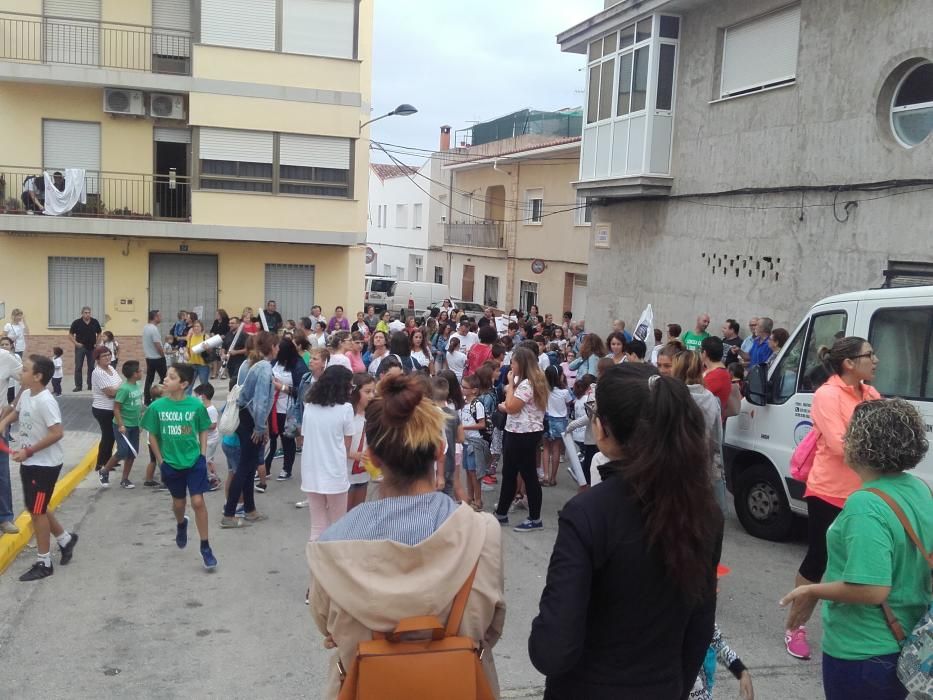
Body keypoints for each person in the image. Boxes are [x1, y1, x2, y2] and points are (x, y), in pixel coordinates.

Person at [306, 372, 506, 699]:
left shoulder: (332, 544)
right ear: (440, 450)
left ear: (372, 457)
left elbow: (328, 630)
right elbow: (490, 627)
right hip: (459, 685)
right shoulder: (483, 533)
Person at [529, 363, 724, 698]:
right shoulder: (706, 511)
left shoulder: (588, 513)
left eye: (594, 412)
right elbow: (699, 625)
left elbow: (553, 648)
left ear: (604, 429)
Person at [781, 399, 931, 700]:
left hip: (865, 650)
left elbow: (872, 589)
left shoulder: (865, 504)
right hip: (908, 643)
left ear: (862, 443)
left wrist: (812, 591)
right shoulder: (918, 488)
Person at [782, 336, 881, 660]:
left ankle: (853, 630)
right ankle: (794, 627)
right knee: (818, 559)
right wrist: (880, 449)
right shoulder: (827, 394)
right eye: (870, 355)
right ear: (849, 363)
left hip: (864, 491)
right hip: (828, 492)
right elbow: (842, 446)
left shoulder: (870, 393)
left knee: (860, 563)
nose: (876, 359)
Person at [0, 355, 79, 581]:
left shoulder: (45, 401)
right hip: (31, 463)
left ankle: (44, 562)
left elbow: (57, 433)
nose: (20, 373)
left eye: (24, 370)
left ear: (37, 376)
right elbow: (16, 411)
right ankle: (65, 540)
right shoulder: (26, 394)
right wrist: (4, 422)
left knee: (36, 511)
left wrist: (28, 451)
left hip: (44, 465)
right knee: (37, 507)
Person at [141, 363, 217, 570]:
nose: (165, 380)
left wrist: (202, 455)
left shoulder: (195, 405)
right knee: (179, 504)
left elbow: (202, 428)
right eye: (166, 376)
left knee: (198, 502)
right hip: (171, 463)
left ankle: (205, 546)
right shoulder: (157, 407)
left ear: (183, 384)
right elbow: (152, 435)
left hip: (193, 461)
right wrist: (161, 460)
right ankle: (181, 524)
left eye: (171, 377)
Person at [221, 331, 277, 528]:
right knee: (245, 467)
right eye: (276, 345)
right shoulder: (264, 367)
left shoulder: (248, 363)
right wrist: (261, 427)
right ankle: (229, 514)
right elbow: (261, 400)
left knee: (249, 465)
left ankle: (250, 510)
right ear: (271, 348)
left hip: (244, 417)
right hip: (252, 419)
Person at [493, 346, 548, 532]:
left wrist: (510, 385)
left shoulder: (527, 384)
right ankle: (501, 512)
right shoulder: (532, 381)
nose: (511, 366)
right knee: (509, 473)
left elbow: (511, 406)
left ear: (521, 364)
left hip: (522, 434)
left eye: (513, 362)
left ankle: (535, 518)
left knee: (528, 475)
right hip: (521, 431)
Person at [300, 365, 355, 542]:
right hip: (334, 472)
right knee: (338, 524)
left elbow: (304, 435)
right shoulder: (346, 408)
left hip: (311, 470)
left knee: (317, 526)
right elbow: (347, 444)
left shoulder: (309, 406)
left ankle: (316, 563)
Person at [673, 350, 725, 510]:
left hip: (675, 464)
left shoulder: (673, 396)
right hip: (702, 462)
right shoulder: (710, 397)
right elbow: (717, 437)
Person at [268, 339, 308, 482]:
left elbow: (303, 391)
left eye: (278, 348)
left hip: (288, 410)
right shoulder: (274, 363)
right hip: (272, 408)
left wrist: (282, 387)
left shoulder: (298, 365)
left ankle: (287, 468)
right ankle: (265, 468)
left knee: (287, 439)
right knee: (271, 438)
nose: (276, 350)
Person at [98, 360, 143, 489]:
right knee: (123, 451)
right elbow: (116, 408)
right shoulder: (124, 389)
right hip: (122, 425)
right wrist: (121, 425)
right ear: (134, 374)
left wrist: (139, 423)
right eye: (140, 371)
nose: (142, 372)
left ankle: (125, 479)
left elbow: (138, 406)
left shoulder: (137, 385)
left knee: (132, 453)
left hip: (135, 425)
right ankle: (104, 471)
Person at [0, 342, 23, 535]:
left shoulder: (5, 357)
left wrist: (12, 408)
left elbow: (28, 380)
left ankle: (5, 518)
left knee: (1, 473)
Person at [91, 346, 122, 481]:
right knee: (107, 436)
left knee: (112, 436)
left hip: (113, 407)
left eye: (109, 355)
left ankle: (108, 462)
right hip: (102, 409)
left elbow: (121, 385)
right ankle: (100, 463)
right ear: (97, 359)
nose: (108, 357)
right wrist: (117, 390)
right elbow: (110, 392)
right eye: (104, 356)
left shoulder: (111, 369)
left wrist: (117, 390)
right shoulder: (98, 372)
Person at [346, 373, 376, 512]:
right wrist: (354, 454)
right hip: (345, 473)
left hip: (363, 472)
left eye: (373, 391)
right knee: (343, 514)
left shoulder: (373, 416)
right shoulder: (347, 415)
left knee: (357, 513)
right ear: (355, 391)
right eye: (367, 391)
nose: (371, 395)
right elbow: (337, 443)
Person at [542, 365, 572, 488]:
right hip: (560, 421)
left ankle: (546, 475)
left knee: (546, 448)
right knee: (556, 449)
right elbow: (570, 402)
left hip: (546, 419)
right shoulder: (565, 392)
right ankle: (553, 478)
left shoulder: (543, 390)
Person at [193, 383, 222, 491]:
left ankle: (214, 480)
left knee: (207, 460)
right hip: (206, 440)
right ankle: (209, 478)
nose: (196, 398)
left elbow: (213, 425)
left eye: (197, 396)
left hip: (211, 440)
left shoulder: (211, 409)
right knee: (207, 459)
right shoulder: (203, 408)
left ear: (203, 396)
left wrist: (199, 425)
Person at [69, 306, 101, 392]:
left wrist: (97, 343)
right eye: (85, 313)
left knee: (91, 367)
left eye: (89, 313)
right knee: (78, 367)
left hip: (92, 348)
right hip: (80, 347)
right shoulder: (77, 323)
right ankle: (78, 386)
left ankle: (90, 385)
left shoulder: (95, 322)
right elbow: (70, 335)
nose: (87, 314)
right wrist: (76, 343)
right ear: (82, 313)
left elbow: (99, 333)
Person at [701, 336, 732, 421]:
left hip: (709, 423)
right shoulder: (714, 371)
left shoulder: (717, 375)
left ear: (704, 353)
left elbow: (699, 397)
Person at [143, 310, 167, 405]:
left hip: (149, 358)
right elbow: (157, 344)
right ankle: (159, 396)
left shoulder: (146, 327)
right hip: (157, 358)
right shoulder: (153, 329)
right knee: (165, 378)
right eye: (160, 316)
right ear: (155, 317)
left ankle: (147, 400)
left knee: (149, 379)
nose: (161, 318)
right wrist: (162, 354)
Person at [222, 316, 247, 391]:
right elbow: (224, 346)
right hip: (230, 362)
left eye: (232, 323)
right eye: (229, 323)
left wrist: (236, 352)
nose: (230, 325)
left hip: (239, 362)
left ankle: (232, 394)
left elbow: (248, 349)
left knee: (234, 380)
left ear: (238, 324)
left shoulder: (243, 335)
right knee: (232, 378)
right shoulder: (228, 334)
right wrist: (223, 354)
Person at [185, 320, 210, 392]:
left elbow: (210, 351)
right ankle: (187, 400)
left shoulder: (205, 336)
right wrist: (186, 353)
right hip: (191, 363)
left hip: (203, 364)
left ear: (201, 328)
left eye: (198, 326)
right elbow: (187, 348)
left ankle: (205, 398)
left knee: (204, 383)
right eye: (194, 326)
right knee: (189, 384)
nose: (196, 328)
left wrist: (207, 348)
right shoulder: (190, 337)